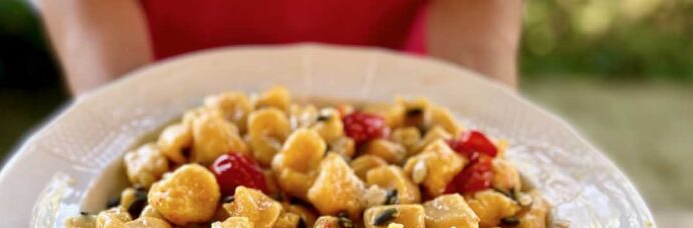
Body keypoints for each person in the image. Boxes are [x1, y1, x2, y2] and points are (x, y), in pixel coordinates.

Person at [42, 0, 522, 95]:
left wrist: (478, 124)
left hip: (398, 91)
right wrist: (124, 128)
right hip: (159, 77)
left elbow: (476, 20)